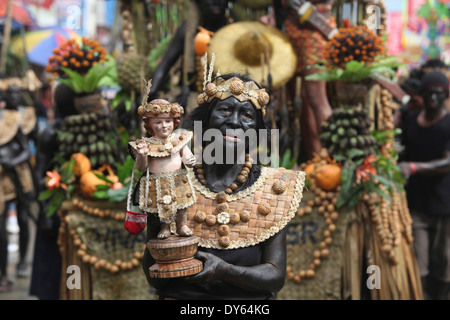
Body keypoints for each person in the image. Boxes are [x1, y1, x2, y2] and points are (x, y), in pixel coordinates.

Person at [136, 72, 306, 300]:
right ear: (205, 122)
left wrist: (225, 271)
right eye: (225, 110)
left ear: (256, 131)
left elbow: (275, 277)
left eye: (246, 115)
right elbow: (152, 274)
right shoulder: (170, 180)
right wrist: (157, 215)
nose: (234, 121)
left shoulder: (274, 188)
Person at [398, 70, 450, 300]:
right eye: (429, 93)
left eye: (438, 94)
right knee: (419, 260)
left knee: (443, 260)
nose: (433, 99)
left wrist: (415, 167)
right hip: (416, 203)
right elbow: (401, 148)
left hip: (443, 205)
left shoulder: (448, 124)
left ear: (445, 95)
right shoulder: (411, 120)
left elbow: (448, 161)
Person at [127, 81, 197, 239]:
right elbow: (141, 168)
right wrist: (142, 154)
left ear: (174, 122)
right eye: (158, 122)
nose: (164, 126)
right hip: (157, 182)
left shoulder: (179, 140)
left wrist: (189, 159)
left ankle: (182, 225)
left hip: (179, 179)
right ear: (149, 126)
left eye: (168, 121)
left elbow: (185, 154)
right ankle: (165, 227)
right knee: (163, 206)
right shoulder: (147, 144)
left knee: (181, 205)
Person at [0, 83, 35, 290]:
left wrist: (12, 161)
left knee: (23, 218)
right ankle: (3, 273)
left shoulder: (14, 120)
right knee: (1, 231)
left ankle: (22, 261)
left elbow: (25, 151)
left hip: (18, 177)